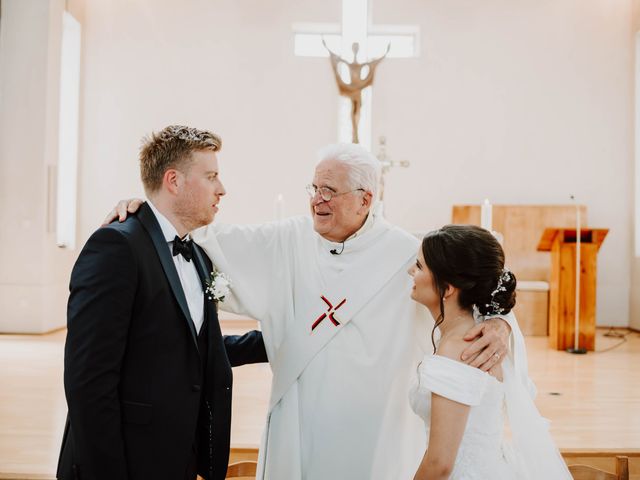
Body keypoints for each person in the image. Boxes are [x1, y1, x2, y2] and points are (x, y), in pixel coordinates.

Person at [106, 143, 517, 480]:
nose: (317, 200)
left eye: (329, 191)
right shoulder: (287, 240)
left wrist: (500, 323)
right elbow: (200, 240)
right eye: (314, 187)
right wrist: (149, 212)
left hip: (376, 430)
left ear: (365, 199)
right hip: (297, 420)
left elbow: (475, 282)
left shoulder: (406, 255)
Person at [57, 125, 267, 480]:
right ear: (174, 180)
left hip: (176, 457)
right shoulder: (116, 248)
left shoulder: (197, 253)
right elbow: (88, 381)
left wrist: (278, 341)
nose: (222, 189)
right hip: (125, 462)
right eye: (212, 176)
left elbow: (189, 348)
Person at [408, 225, 571, 479]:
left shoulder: (458, 349)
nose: (410, 272)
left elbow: (439, 464)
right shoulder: (477, 333)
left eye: (419, 267)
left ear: (448, 288)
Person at [322, 39, 390, 143]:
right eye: (354, 48)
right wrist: (326, 47)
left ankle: (356, 136)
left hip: (358, 90)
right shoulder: (349, 64)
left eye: (356, 48)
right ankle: (354, 136)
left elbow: (374, 63)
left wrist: (386, 53)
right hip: (350, 89)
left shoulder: (362, 65)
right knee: (352, 113)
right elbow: (335, 57)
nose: (355, 50)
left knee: (357, 112)